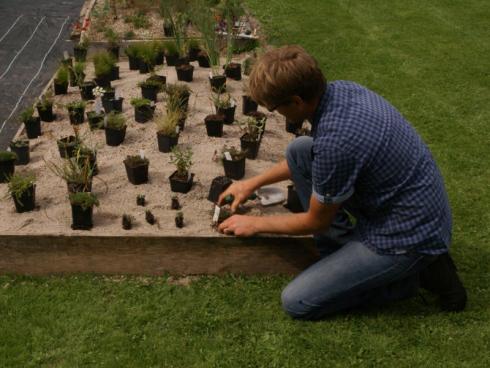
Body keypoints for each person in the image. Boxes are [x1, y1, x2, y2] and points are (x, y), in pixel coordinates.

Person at [217, 45, 467, 320]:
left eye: (275, 108)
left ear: (297, 101)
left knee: (297, 301)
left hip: (405, 235)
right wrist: (251, 184)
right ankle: (352, 258)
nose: (276, 113)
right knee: (300, 149)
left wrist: (255, 224)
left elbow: (316, 222)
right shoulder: (343, 90)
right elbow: (314, 160)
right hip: (410, 207)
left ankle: (410, 278)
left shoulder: (336, 143)